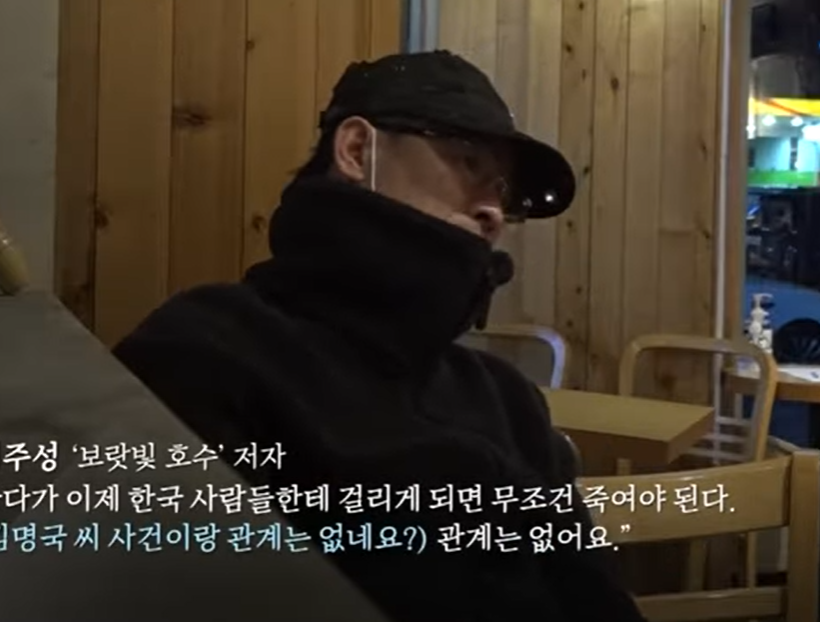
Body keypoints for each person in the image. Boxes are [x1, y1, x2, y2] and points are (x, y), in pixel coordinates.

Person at [113, 50, 645, 622]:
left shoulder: (507, 400)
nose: (494, 210)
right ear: (357, 150)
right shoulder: (204, 352)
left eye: (503, 192)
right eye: (467, 161)